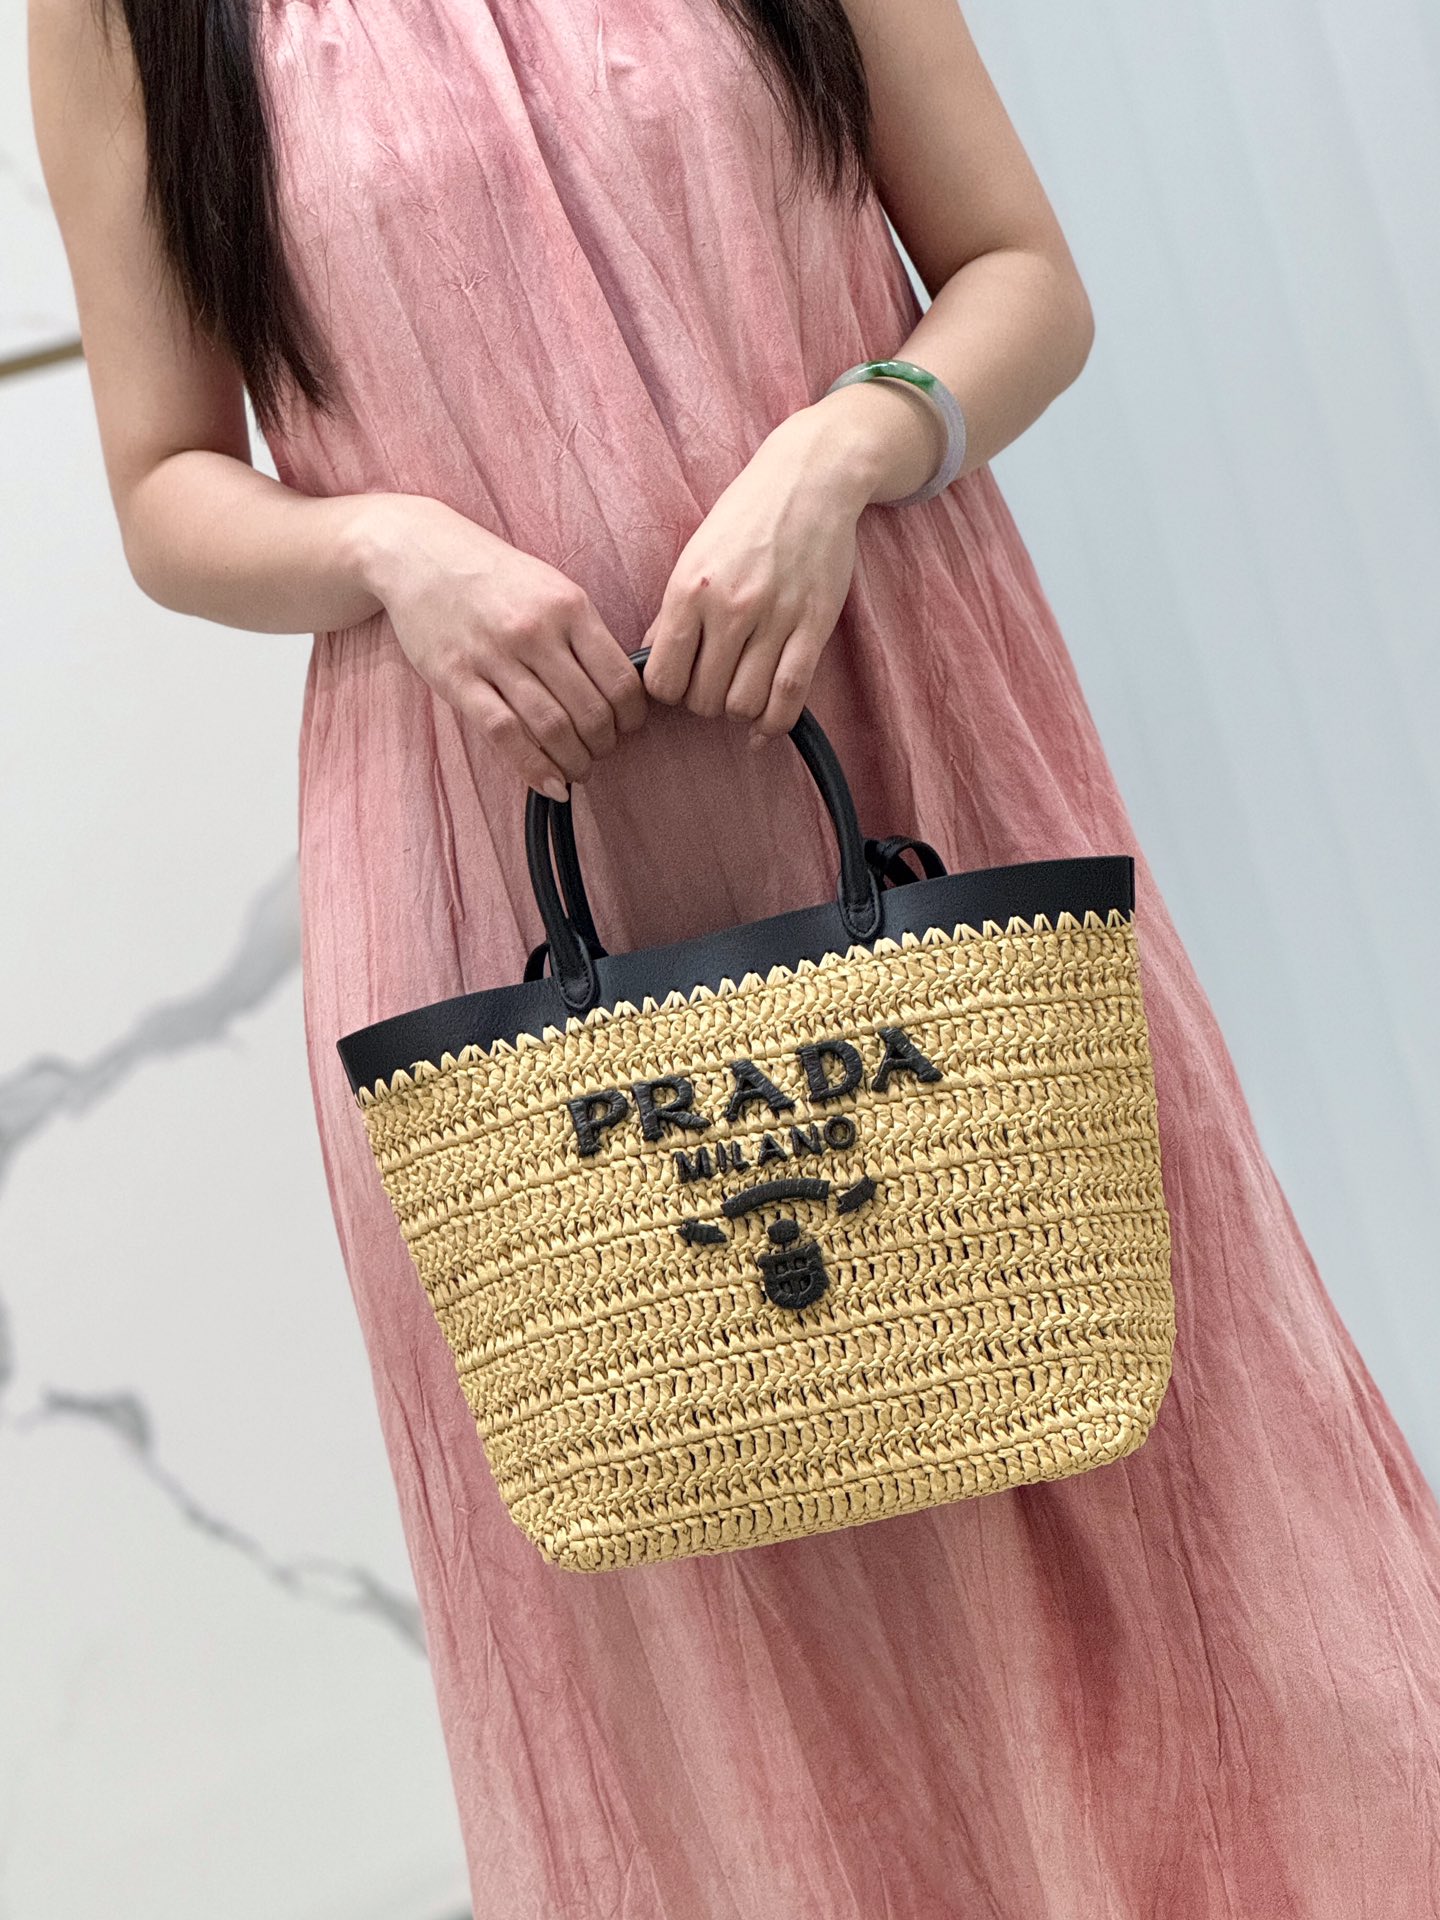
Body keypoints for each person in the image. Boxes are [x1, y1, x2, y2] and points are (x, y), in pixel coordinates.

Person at [29, 0, 1440, 1909]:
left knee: (1145, 1471)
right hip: (493, 844)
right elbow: (165, 485)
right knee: (709, 1589)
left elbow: (1022, 279)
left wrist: (850, 446)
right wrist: (387, 553)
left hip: (906, 743)